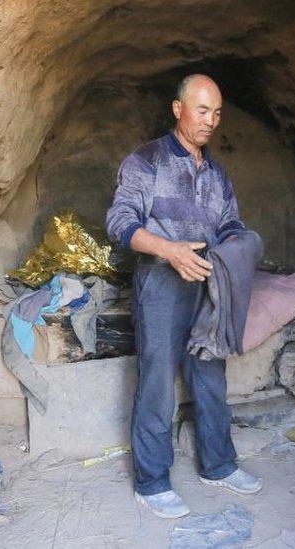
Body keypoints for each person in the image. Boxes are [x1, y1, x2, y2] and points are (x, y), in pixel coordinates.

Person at [106, 74, 262, 518]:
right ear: (178, 110)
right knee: (157, 380)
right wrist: (168, 250)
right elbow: (120, 221)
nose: (210, 120)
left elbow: (229, 223)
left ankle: (219, 465)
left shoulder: (217, 173)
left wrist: (240, 246)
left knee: (210, 375)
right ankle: (152, 481)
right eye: (201, 110)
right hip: (161, 284)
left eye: (216, 112)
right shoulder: (146, 160)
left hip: (209, 283)